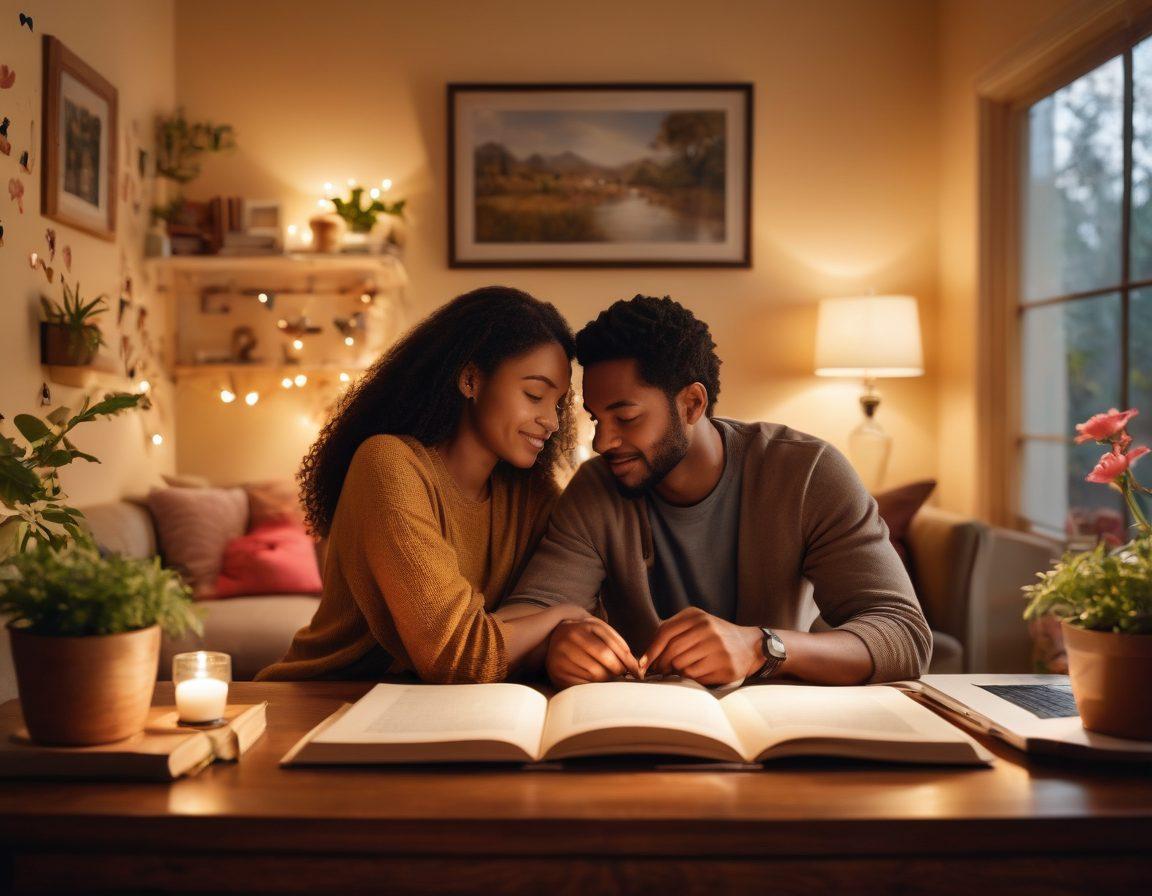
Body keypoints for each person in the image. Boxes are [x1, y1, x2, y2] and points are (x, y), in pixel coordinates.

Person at [500, 295, 932, 689]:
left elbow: (904, 634)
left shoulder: (806, 473)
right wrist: (557, 644)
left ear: (691, 404)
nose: (603, 442)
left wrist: (762, 648)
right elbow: (529, 619)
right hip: (637, 733)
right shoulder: (596, 488)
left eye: (626, 417)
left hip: (780, 729)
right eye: (597, 419)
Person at [257, 286, 588, 684]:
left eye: (557, 404)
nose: (551, 422)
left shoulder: (528, 494)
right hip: (318, 703)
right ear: (470, 379)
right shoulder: (389, 465)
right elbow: (457, 656)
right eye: (534, 394)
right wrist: (559, 617)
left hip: (431, 711)